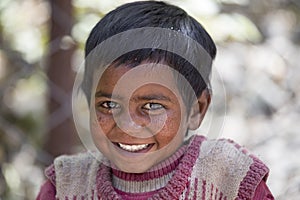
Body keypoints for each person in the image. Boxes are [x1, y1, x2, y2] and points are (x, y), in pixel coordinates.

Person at [37, 1, 274, 199]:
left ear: (196, 110)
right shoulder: (65, 185)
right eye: (109, 105)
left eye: (152, 106)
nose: (127, 125)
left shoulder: (230, 178)